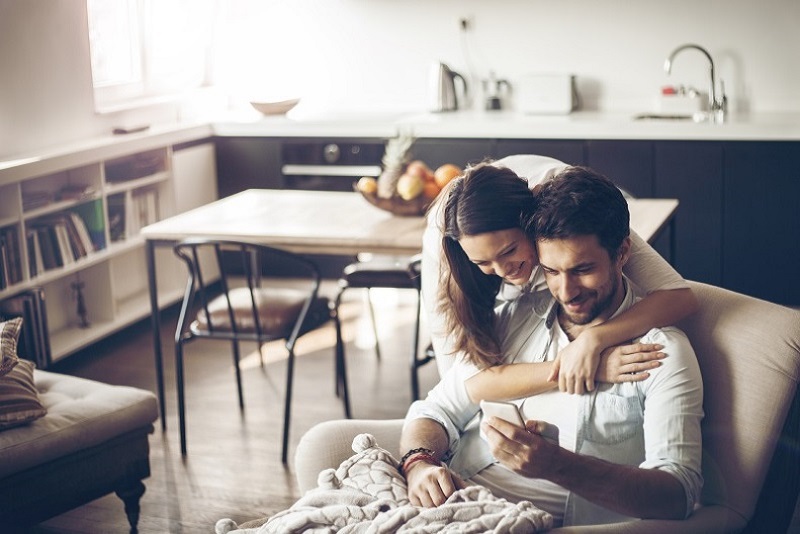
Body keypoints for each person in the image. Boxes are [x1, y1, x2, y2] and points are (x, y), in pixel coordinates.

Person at [400, 165, 704, 526]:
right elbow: (437, 409)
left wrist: (556, 465)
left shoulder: (659, 354)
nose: (566, 291)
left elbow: (678, 496)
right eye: (551, 271)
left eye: (582, 269)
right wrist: (418, 465)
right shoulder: (517, 312)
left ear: (622, 253)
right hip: (442, 503)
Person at [422, 155, 698, 396]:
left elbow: (678, 297)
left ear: (531, 224)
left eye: (509, 251)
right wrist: (580, 365)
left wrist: (594, 339)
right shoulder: (450, 245)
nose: (503, 270)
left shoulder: (564, 208)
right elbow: (463, 386)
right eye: (483, 261)